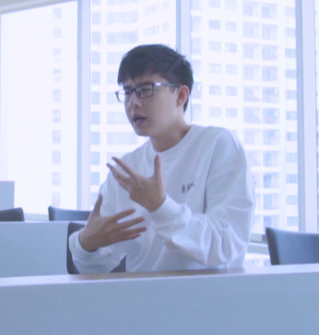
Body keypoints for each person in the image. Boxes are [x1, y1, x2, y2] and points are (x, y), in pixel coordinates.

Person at [70, 44, 254, 273]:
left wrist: (160, 206)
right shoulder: (128, 169)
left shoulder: (217, 145)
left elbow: (226, 244)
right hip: (141, 294)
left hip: (209, 294)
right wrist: (86, 244)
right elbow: (96, 267)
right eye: (127, 92)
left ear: (181, 95)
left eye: (145, 90)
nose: (133, 102)